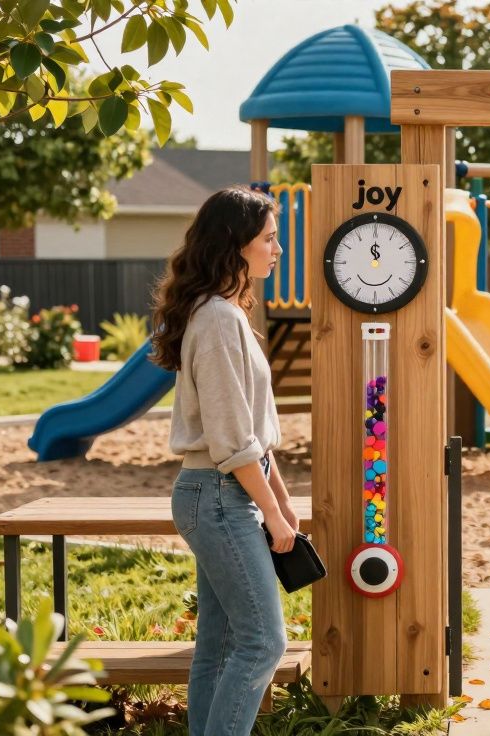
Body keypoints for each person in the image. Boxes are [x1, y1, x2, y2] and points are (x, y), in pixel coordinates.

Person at [151, 186, 297, 736]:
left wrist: (280, 501)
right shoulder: (216, 320)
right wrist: (273, 514)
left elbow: (254, 432)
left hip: (225, 494)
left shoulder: (228, 314)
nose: (277, 249)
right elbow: (233, 439)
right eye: (269, 238)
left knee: (219, 644)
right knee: (263, 640)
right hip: (216, 497)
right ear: (236, 246)